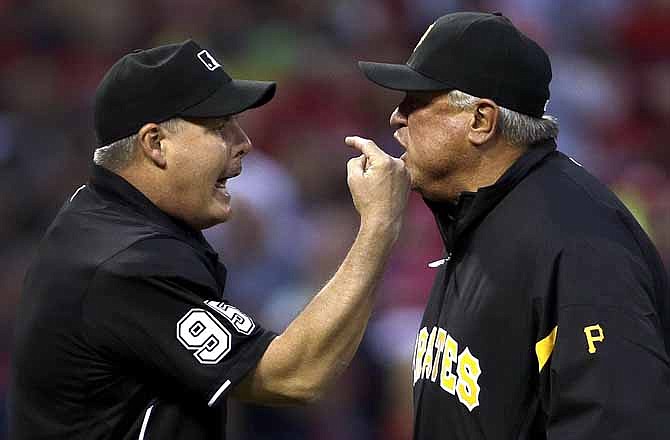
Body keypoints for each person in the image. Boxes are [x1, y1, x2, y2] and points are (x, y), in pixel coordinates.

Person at [8, 40, 410, 439]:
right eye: (220, 127)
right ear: (155, 144)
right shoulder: (127, 260)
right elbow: (294, 377)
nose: (244, 143)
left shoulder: (101, 212)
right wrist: (378, 224)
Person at [357, 11, 670, 440]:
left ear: (481, 121)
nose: (396, 117)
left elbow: (619, 425)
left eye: (418, 100)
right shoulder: (482, 215)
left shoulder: (578, 242)